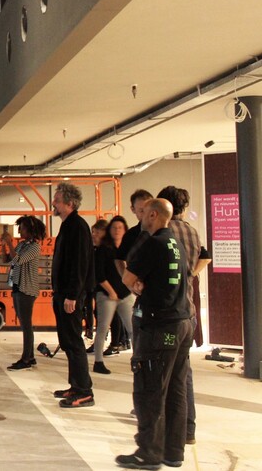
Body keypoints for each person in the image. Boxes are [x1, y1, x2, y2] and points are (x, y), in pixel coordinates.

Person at [115, 198, 194, 470]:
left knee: (150, 390)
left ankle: (148, 453)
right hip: (182, 324)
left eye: (142, 214)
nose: (140, 219)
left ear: (152, 214)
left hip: (159, 327)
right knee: (175, 389)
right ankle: (173, 452)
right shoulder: (177, 245)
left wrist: (138, 287)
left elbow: (127, 280)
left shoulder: (153, 244)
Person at [157, 185, 211, 446]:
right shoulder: (191, 230)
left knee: (163, 373)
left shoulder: (161, 233)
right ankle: (188, 429)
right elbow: (204, 257)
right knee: (183, 371)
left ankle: (168, 429)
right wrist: (191, 275)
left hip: (166, 313)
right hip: (187, 311)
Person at [50, 182, 96, 409]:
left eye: (57, 200)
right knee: (67, 341)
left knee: (73, 342)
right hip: (64, 294)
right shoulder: (69, 225)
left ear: (69, 203)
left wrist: (72, 296)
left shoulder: (77, 226)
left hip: (70, 296)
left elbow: (79, 265)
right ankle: (76, 385)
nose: (53, 204)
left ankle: (84, 391)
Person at [2, 215, 45, 371]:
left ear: (30, 230)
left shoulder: (34, 246)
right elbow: (7, 259)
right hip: (18, 286)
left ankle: (26, 358)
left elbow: (18, 260)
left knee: (26, 325)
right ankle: (30, 356)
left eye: (22, 227)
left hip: (27, 288)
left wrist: (9, 243)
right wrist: (4, 245)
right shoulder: (21, 244)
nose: (19, 230)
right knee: (25, 324)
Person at [92, 216, 134, 375]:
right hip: (107, 294)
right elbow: (99, 274)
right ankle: (98, 361)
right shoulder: (104, 249)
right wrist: (111, 292)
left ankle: (137, 360)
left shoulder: (129, 248)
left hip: (126, 294)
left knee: (132, 329)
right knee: (102, 328)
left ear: (125, 230)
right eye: (114, 227)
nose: (117, 230)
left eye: (120, 227)